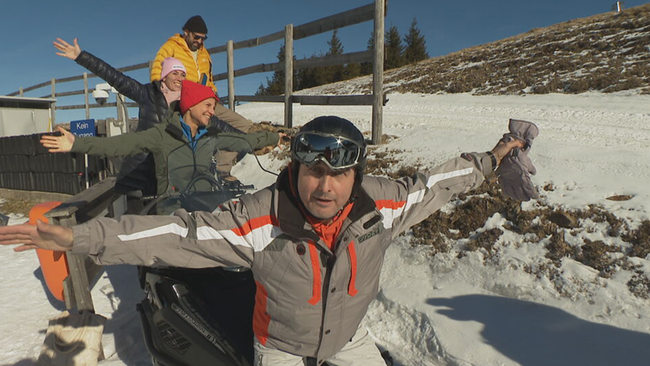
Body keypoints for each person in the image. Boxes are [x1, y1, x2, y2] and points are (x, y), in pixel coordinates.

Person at [0, 116, 524, 365]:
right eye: (312, 171)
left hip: (348, 341)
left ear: (356, 176)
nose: (324, 186)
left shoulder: (380, 206)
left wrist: (496, 155)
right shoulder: (261, 218)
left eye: (338, 175)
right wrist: (77, 236)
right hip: (280, 347)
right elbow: (172, 234)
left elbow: (434, 185)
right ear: (294, 169)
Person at [53, 38, 244, 196]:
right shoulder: (147, 94)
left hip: (170, 179)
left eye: (182, 74)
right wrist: (81, 56)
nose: (179, 78)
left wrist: (252, 141)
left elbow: (219, 125)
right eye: (175, 73)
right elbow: (115, 77)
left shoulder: (188, 106)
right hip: (139, 175)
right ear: (164, 76)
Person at [40, 80, 282, 197]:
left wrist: (275, 136)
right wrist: (77, 143)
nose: (212, 110)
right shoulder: (161, 134)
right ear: (191, 105)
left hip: (206, 204)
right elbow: (119, 144)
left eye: (213, 106)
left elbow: (245, 142)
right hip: (173, 207)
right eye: (208, 105)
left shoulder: (212, 135)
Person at [149, 15, 256, 181]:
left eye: (203, 38)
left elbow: (209, 78)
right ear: (186, 32)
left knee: (242, 125)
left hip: (206, 99)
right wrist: (157, 85)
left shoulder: (204, 54)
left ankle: (222, 169)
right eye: (196, 37)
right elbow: (158, 66)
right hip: (184, 99)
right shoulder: (172, 46)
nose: (199, 41)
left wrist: (213, 94)